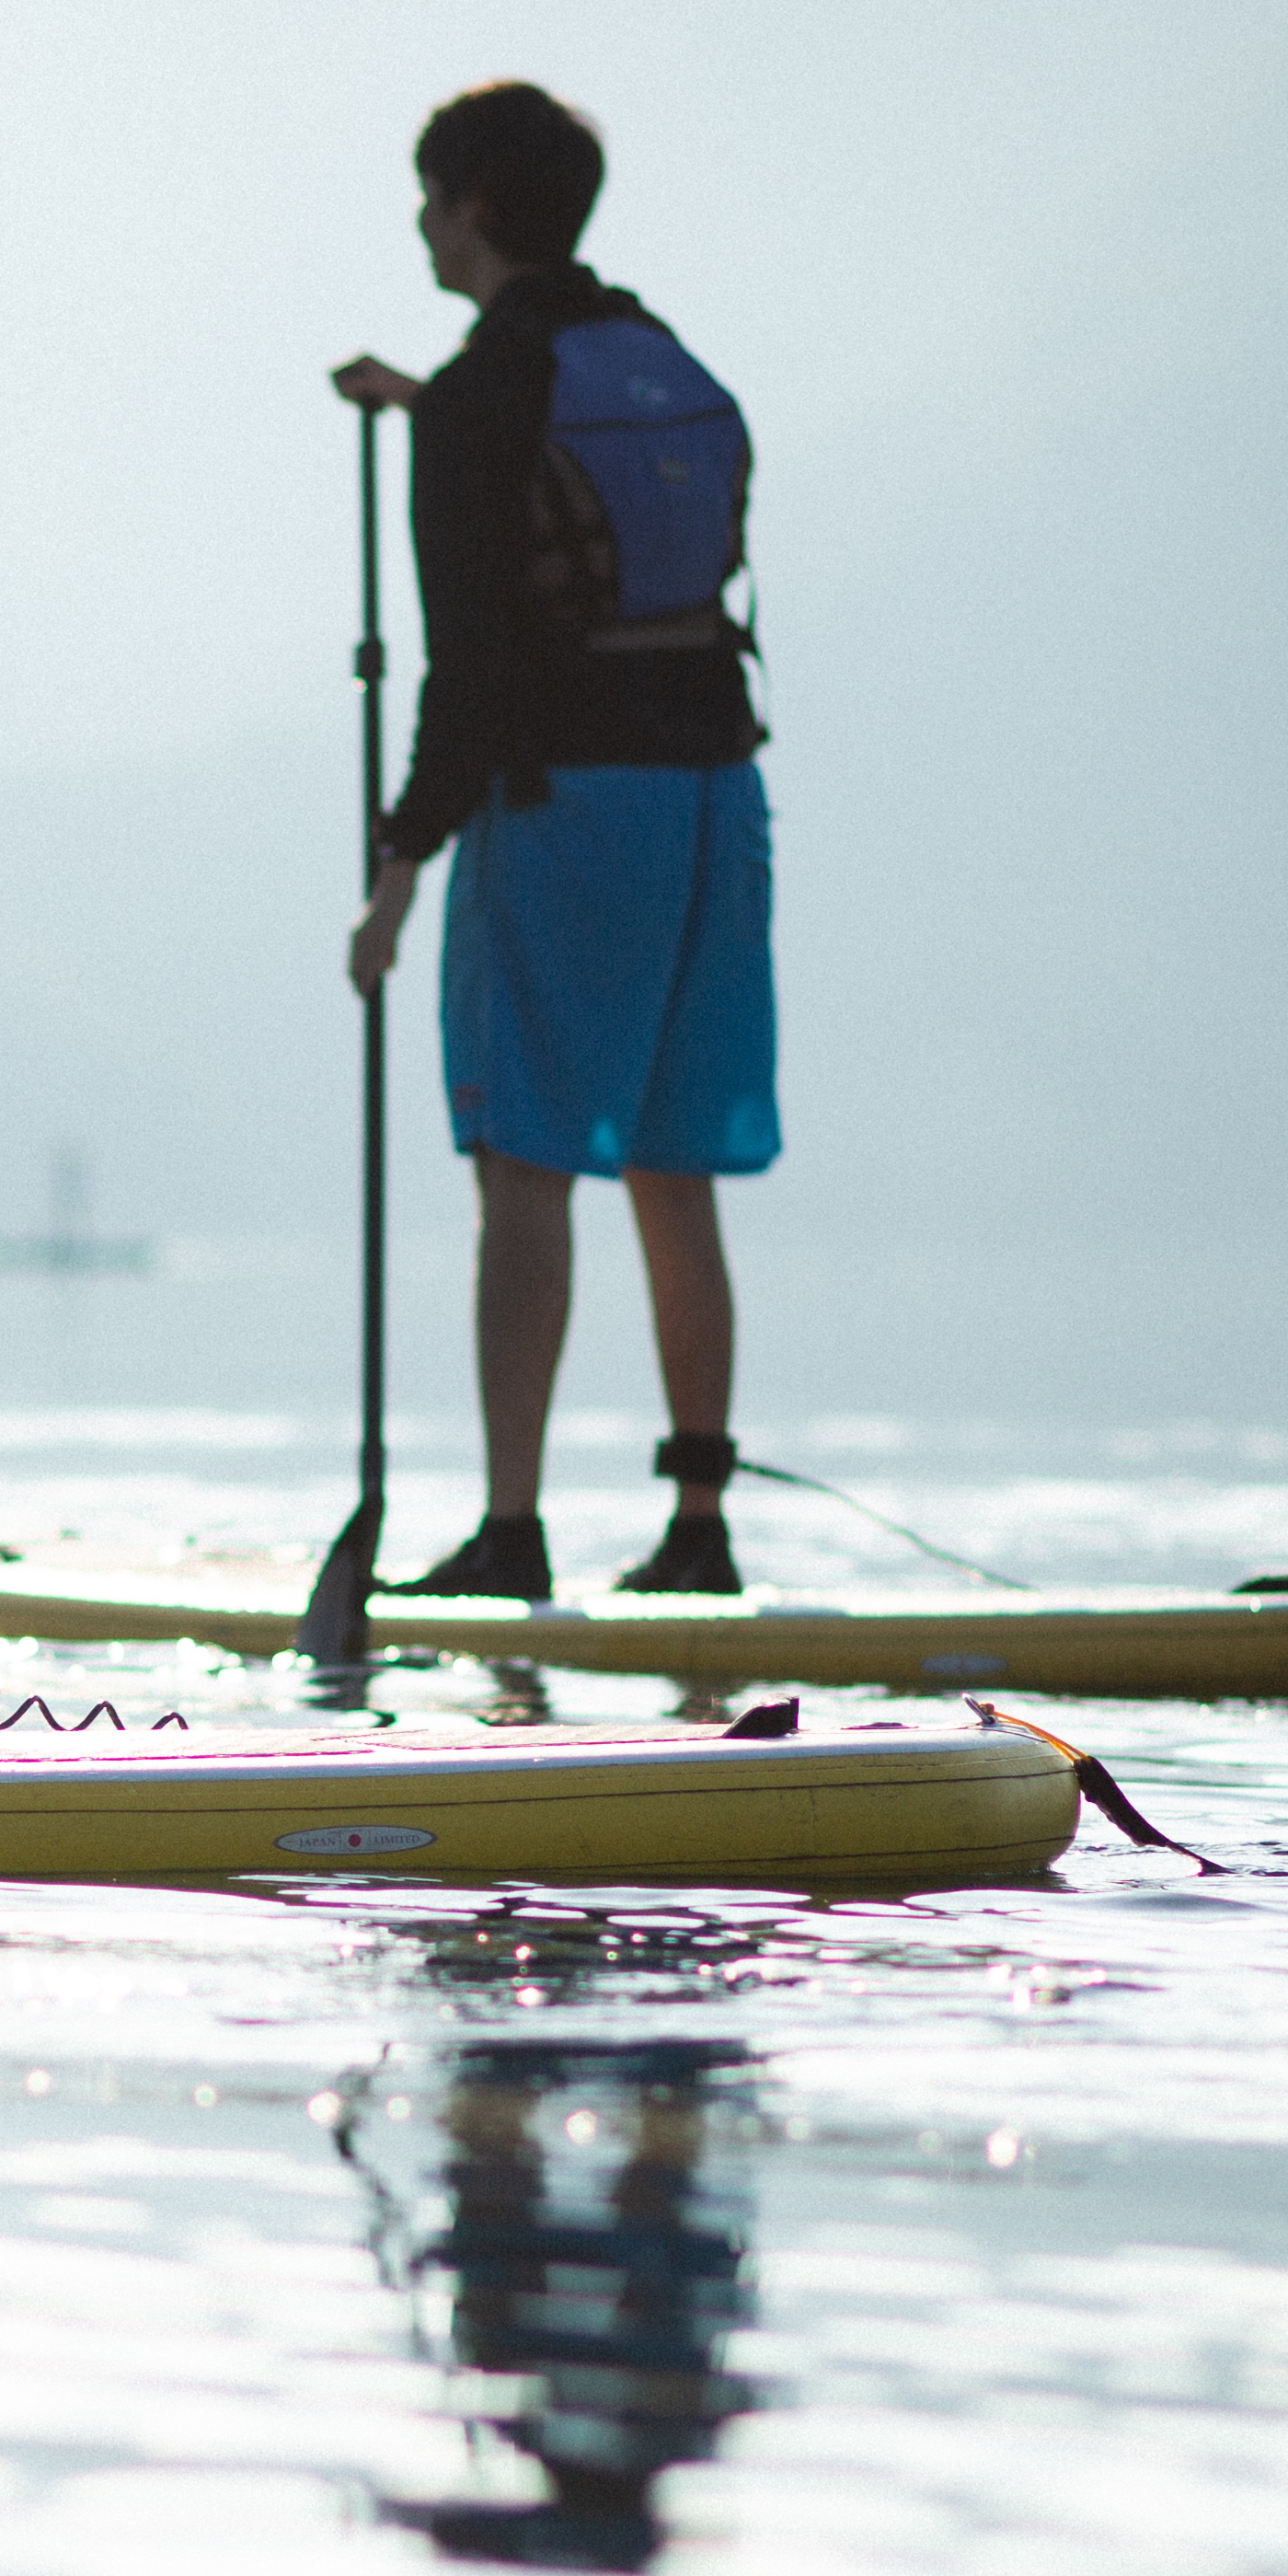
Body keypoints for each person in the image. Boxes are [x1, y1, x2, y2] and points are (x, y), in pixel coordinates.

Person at [335, 82, 773, 1602]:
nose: (417, 222)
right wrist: (422, 404)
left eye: (427, 197)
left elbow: (473, 671)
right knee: (673, 1167)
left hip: (563, 806)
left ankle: (511, 1533)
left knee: (523, 1167)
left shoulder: (480, 398)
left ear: (468, 210)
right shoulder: (658, 356)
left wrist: (395, 879)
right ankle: (699, 1528)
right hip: (716, 795)